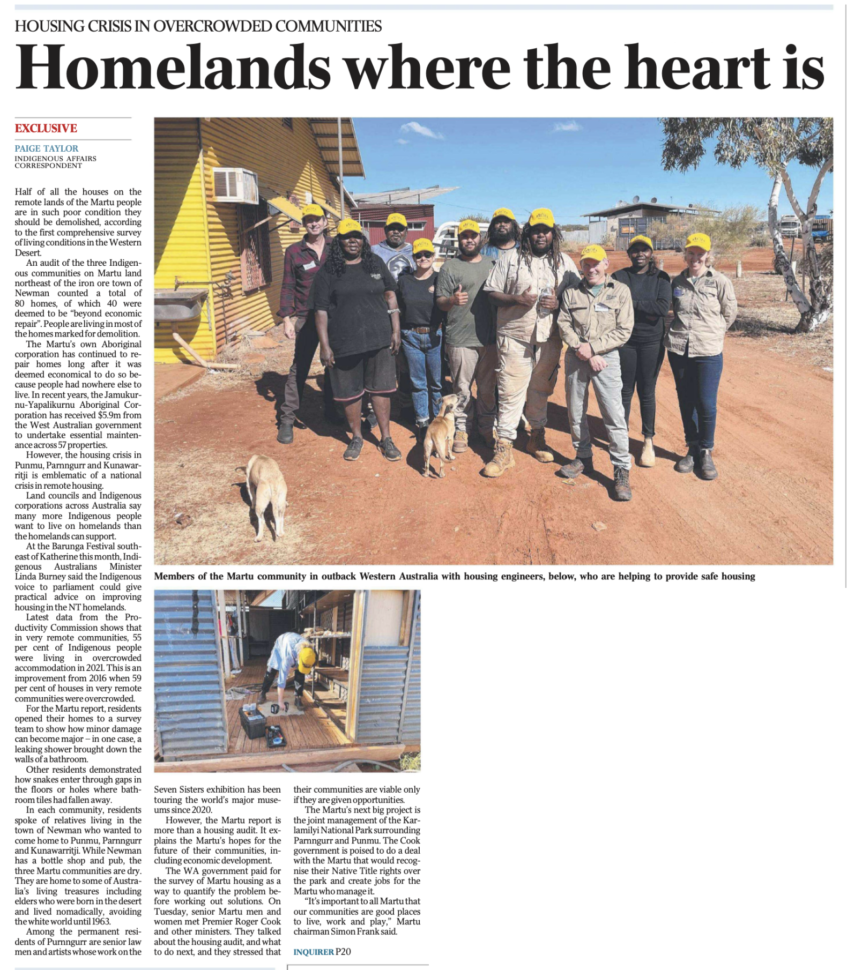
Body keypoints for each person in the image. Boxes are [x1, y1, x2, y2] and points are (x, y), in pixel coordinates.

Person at [482, 209, 580, 477]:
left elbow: (579, 298)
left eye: (545, 230)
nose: (541, 235)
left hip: (550, 337)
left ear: (553, 233)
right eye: (536, 230)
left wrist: (559, 303)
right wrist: (517, 300)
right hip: (514, 336)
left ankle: (536, 436)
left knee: (540, 389)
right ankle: (503, 449)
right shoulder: (510, 259)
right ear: (527, 232)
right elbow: (490, 293)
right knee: (510, 390)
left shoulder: (565, 263)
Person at [313, 219, 403, 462]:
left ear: (363, 240)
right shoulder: (328, 271)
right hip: (344, 342)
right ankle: (356, 437)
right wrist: (325, 345)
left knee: (381, 390)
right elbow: (320, 310)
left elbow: (390, 295)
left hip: (379, 338)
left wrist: (395, 329)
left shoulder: (375, 262)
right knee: (350, 393)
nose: (353, 240)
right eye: (347, 236)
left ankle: (386, 438)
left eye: (357, 236)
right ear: (338, 241)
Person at [557, 245, 635, 502]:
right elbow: (563, 323)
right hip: (576, 356)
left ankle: (621, 469)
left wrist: (594, 349)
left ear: (605, 264)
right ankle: (583, 458)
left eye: (595, 264)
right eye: (586, 264)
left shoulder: (620, 291)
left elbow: (624, 330)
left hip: (607, 358)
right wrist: (583, 348)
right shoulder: (571, 293)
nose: (590, 269)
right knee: (576, 410)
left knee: (613, 413)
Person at [666, 233, 738, 480]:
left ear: (708, 255)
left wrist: (713, 334)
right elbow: (674, 313)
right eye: (691, 253)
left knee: (706, 402)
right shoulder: (677, 283)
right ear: (685, 254)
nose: (695, 258)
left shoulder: (719, 281)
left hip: (708, 351)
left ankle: (706, 450)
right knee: (686, 400)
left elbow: (729, 314)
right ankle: (692, 447)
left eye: (700, 253)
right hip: (678, 349)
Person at [276, 204, 339, 443]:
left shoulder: (337, 247)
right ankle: (287, 419)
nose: (313, 223)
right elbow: (288, 285)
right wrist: (286, 319)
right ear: (304, 224)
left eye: (317, 219)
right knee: (299, 367)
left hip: (334, 316)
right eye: (308, 220)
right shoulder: (294, 251)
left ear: (325, 222)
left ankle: (331, 410)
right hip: (306, 316)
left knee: (332, 363)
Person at [435, 219, 497, 452]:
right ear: (459, 240)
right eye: (464, 236)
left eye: (473, 236)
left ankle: (487, 427)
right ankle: (462, 427)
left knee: (487, 388)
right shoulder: (450, 267)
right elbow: (440, 302)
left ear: (480, 239)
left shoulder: (493, 263)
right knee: (461, 387)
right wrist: (451, 300)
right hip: (460, 338)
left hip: (489, 339)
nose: (469, 239)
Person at [611, 235, 672, 467]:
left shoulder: (661, 278)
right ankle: (622, 439)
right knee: (624, 391)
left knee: (647, 392)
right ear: (628, 254)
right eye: (634, 250)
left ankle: (648, 441)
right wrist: (641, 306)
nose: (639, 254)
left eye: (644, 250)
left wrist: (630, 303)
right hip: (624, 342)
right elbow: (611, 305)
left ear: (651, 253)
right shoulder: (619, 277)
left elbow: (662, 308)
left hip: (651, 343)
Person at [396, 237, 445, 441]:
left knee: (436, 383)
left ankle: (438, 421)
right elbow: (397, 308)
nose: (423, 258)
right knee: (418, 382)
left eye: (427, 254)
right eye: (419, 255)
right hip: (411, 337)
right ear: (413, 257)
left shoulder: (440, 279)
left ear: (434, 257)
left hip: (435, 335)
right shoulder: (404, 280)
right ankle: (423, 422)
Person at [370, 213, 417, 421]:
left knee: (406, 361)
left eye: (400, 228)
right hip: (381, 313)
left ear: (406, 231)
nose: (396, 231)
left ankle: (406, 402)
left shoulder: (415, 251)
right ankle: (374, 408)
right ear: (385, 230)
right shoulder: (374, 251)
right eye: (391, 228)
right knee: (380, 360)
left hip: (408, 314)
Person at [258, 630, 316, 709]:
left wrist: (295, 667)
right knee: (271, 671)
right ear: (298, 657)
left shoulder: (311, 653)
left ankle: (298, 697)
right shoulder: (287, 657)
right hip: (281, 644)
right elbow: (282, 681)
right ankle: (263, 692)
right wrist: (280, 702)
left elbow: (305, 665)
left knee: (300, 673)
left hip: (294, 645)